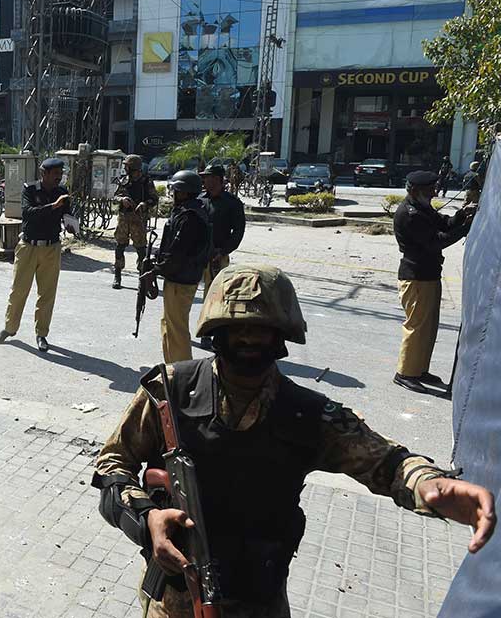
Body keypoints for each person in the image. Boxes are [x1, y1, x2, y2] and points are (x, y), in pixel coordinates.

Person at [92, 265, 496, 618]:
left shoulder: (306, 413)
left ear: (283, 334)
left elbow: (386, 462)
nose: (249, 337)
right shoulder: (170, 390)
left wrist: (428, 484)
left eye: (261, 328)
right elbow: (111, 465)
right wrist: (147, 520)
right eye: (238, 327)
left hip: (260, 602)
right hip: (175, 602)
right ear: (216, 332)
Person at [393, 170, 475, 394]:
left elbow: (444, 223)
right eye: (430, 188)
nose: (434, 191)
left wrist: (461, 215)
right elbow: (436, 241)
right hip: (416, 277)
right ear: (416, 190)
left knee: (429, 328)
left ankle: (418, 369)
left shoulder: (422, 208)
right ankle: (404, 374)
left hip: (428, 274)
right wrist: (465, 229)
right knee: (416, 327)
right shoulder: (410, 214)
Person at [0, 158, 72, 353]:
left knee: (47, 294)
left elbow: (67, 214)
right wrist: (53, 206)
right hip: (28, 247)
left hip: (52, 248)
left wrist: (71, 223)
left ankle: (41, 334)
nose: (58, 178)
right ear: (43, 173)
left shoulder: (62, 192)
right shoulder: (30, 189)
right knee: (19, 290)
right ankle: (9, 329)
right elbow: (28, 213)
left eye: (60, 174)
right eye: (55, 174)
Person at [155, 170, 210, 364]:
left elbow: (178, 252)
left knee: (176, 329)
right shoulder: (186, 211)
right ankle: (172, 368)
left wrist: (158, 269)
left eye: (176, 190)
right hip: (177, 277)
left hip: (181, 279)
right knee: (168, 326)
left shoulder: (190, 217)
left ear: (185, 192)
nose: (173, 194)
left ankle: (183, 372)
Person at [198, 163, 246, 349]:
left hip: (217, 256)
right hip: (198, 255)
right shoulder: (201, 199)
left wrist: (224, 251)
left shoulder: (232, 203)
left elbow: (238, 232)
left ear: (218, 179)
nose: (205, 180)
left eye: (208, 177)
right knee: (186, 292)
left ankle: (208, 334)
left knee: (214, 297)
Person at [112, 154, 159, 289]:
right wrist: (122, 200)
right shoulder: (123, 180)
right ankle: (117, 275)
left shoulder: (146, 182)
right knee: (120, 246)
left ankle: (142, 278)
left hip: (139, 219)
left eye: (127, 166)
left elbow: (154, 199)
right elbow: (115, 196)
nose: (125, 168)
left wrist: (145, 204)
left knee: (141, 249)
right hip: (124, 218)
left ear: (133, 167)